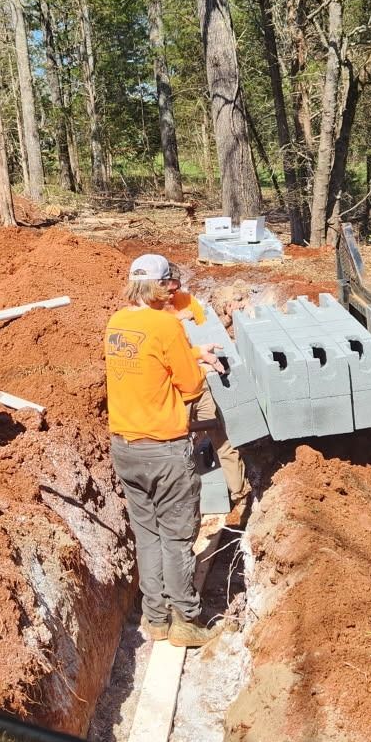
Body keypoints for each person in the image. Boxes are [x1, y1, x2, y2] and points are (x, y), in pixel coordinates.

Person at [105, 254, 220, 648]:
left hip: (125, 448)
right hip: (165, 450)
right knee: (177, 537)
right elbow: (190, 389)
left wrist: (191, 354)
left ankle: (155, 619)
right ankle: (185, 622)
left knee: (147, 534)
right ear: (159, 285)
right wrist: (200, 364)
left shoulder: (118, 322)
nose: (174, 290)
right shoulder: (167, 324)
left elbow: (148, 364)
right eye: (170, 283)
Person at [163, 267, 252, 528]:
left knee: (222, 437)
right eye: (168, 290)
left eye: (176, 288)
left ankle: (240, 495)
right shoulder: (150, 314)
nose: (173, 294)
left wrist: (228, 317)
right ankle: (182, 507)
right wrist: (177, 321)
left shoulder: (187, 300)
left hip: (199, 383)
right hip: (172, 390)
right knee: (176, 445)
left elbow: (207, 334)